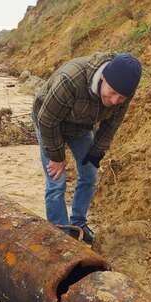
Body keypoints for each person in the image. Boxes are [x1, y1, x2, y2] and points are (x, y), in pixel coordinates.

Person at [32, 53, 141, 244]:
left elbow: (111, 125)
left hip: (81, 126)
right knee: (56, 180)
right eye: (113, 93)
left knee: (90, 173)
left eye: (121, 97)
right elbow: (47, 120)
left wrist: (96, 152)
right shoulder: (71, 80)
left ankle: (78, 224)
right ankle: (61, 233)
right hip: (48, 121)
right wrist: (57, 157)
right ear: (104, 78)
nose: (116, 101)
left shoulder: (123, 93)